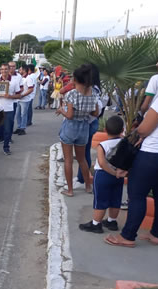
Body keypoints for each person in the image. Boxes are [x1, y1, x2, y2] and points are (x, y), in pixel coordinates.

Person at [105, 66, 158, 247]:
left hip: (152, 154)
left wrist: (138, 132)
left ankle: (128, 236)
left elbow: (144, 129)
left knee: (137, 195)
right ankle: (156, 234)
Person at [55, 64, 98, 197]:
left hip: (70, 127)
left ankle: (70, 190)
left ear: (75, 79)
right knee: (82, 159)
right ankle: (88, 186)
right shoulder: (93, 93)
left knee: (68, 160)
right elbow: (95, 113)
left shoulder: (71, 94)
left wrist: (61, 110)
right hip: (84, 127)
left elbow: (69, 115)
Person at [79, 116, 125, 234]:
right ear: (122, 130)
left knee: (100, 200)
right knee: (116, 199)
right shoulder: (124, 143)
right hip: (119, 175)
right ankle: (112, 221)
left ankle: (96, 223)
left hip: (103, 175)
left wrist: (112, 172)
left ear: (105, 130)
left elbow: (102, 163)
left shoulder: (103, 145)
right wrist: (118, 173)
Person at [0, 63, 22, 155]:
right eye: (2, 69)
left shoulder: (14, 82)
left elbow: (19, 95)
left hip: (8, 108)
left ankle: (6, 147)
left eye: (5, 69)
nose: (4, 71)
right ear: (0, 70)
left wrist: (10, 96)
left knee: (8, 130)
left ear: (9, 70)